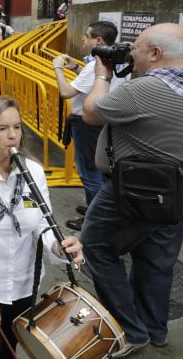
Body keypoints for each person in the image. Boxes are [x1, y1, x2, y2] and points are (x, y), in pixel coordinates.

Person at [81, 23, 183, 357]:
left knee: (96, 248)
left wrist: (103, 75)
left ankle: (130, 330)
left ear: (157, 53)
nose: (131, 53)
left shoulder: (145, 91)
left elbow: (91, 112)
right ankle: (155, 329)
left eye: (138, 48)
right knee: (156, 260)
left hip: (137, 192)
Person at [0, 96, 83, 359]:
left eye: (17, 127)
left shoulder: (32, 170)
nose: (13, 136)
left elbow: (41, 223)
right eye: (2, 129)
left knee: (11, 344)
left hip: (23, 282)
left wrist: (59, 246)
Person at [52, 21, 124, 231]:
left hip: (87, 124)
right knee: (100, 170)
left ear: (98, 40)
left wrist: (58, 68)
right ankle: (96, 207)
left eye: (86, 35)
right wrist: (75, 68)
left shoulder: (94, 66)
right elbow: (93, 83)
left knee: (89, 173)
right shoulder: (114, 61)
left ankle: (93, 218)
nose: (82, 39)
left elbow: (66, 92)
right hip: (105, 121)